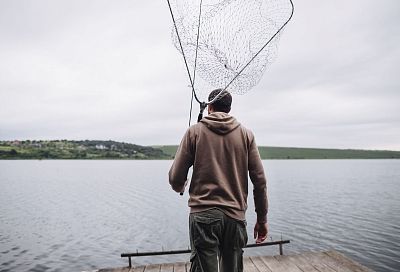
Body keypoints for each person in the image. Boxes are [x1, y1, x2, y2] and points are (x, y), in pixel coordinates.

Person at [169, 89, 268, 272]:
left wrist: (180, 185)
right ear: (229, 108)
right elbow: (260, 181)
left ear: (209, 107)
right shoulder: (247, 135)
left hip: (203, 216)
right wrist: (262, 219)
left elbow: (175, 178)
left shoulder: (194, 132)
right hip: (235, 218)